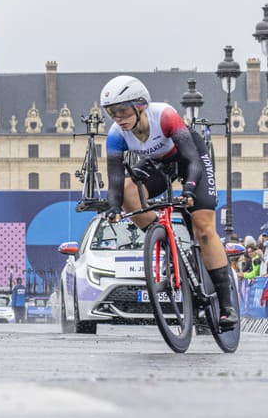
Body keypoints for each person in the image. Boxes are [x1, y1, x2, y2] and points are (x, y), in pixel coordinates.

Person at [100, 75, 238, 329]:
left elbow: (193, 161)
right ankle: (165, 240)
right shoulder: (116, 135)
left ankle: (227, 305)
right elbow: (116, 178)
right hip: (157, 163)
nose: (118, 117)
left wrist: (189, 188)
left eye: (122, 110)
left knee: (203, 227)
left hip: (190, 159)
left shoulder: (164, 116)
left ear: (140, 105)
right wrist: (113, 207)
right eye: (112, 113)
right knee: (130, 192)